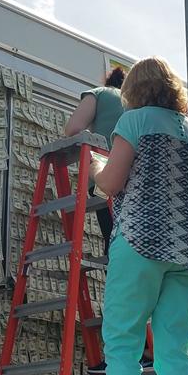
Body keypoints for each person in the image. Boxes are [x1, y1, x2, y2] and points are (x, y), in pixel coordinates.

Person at [91, 57, 188, 375]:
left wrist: (97, 166)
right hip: (185, 250)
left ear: (134, 89)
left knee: (122, 349)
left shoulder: (133, 121)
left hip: (138, 242)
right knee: (175, 355)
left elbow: (112, 184)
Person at [63, 67, 125, 253]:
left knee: (111, 238)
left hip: (104, 176)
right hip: (132, 180)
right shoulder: (136, 105)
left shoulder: (99, 94)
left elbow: (73, 129)